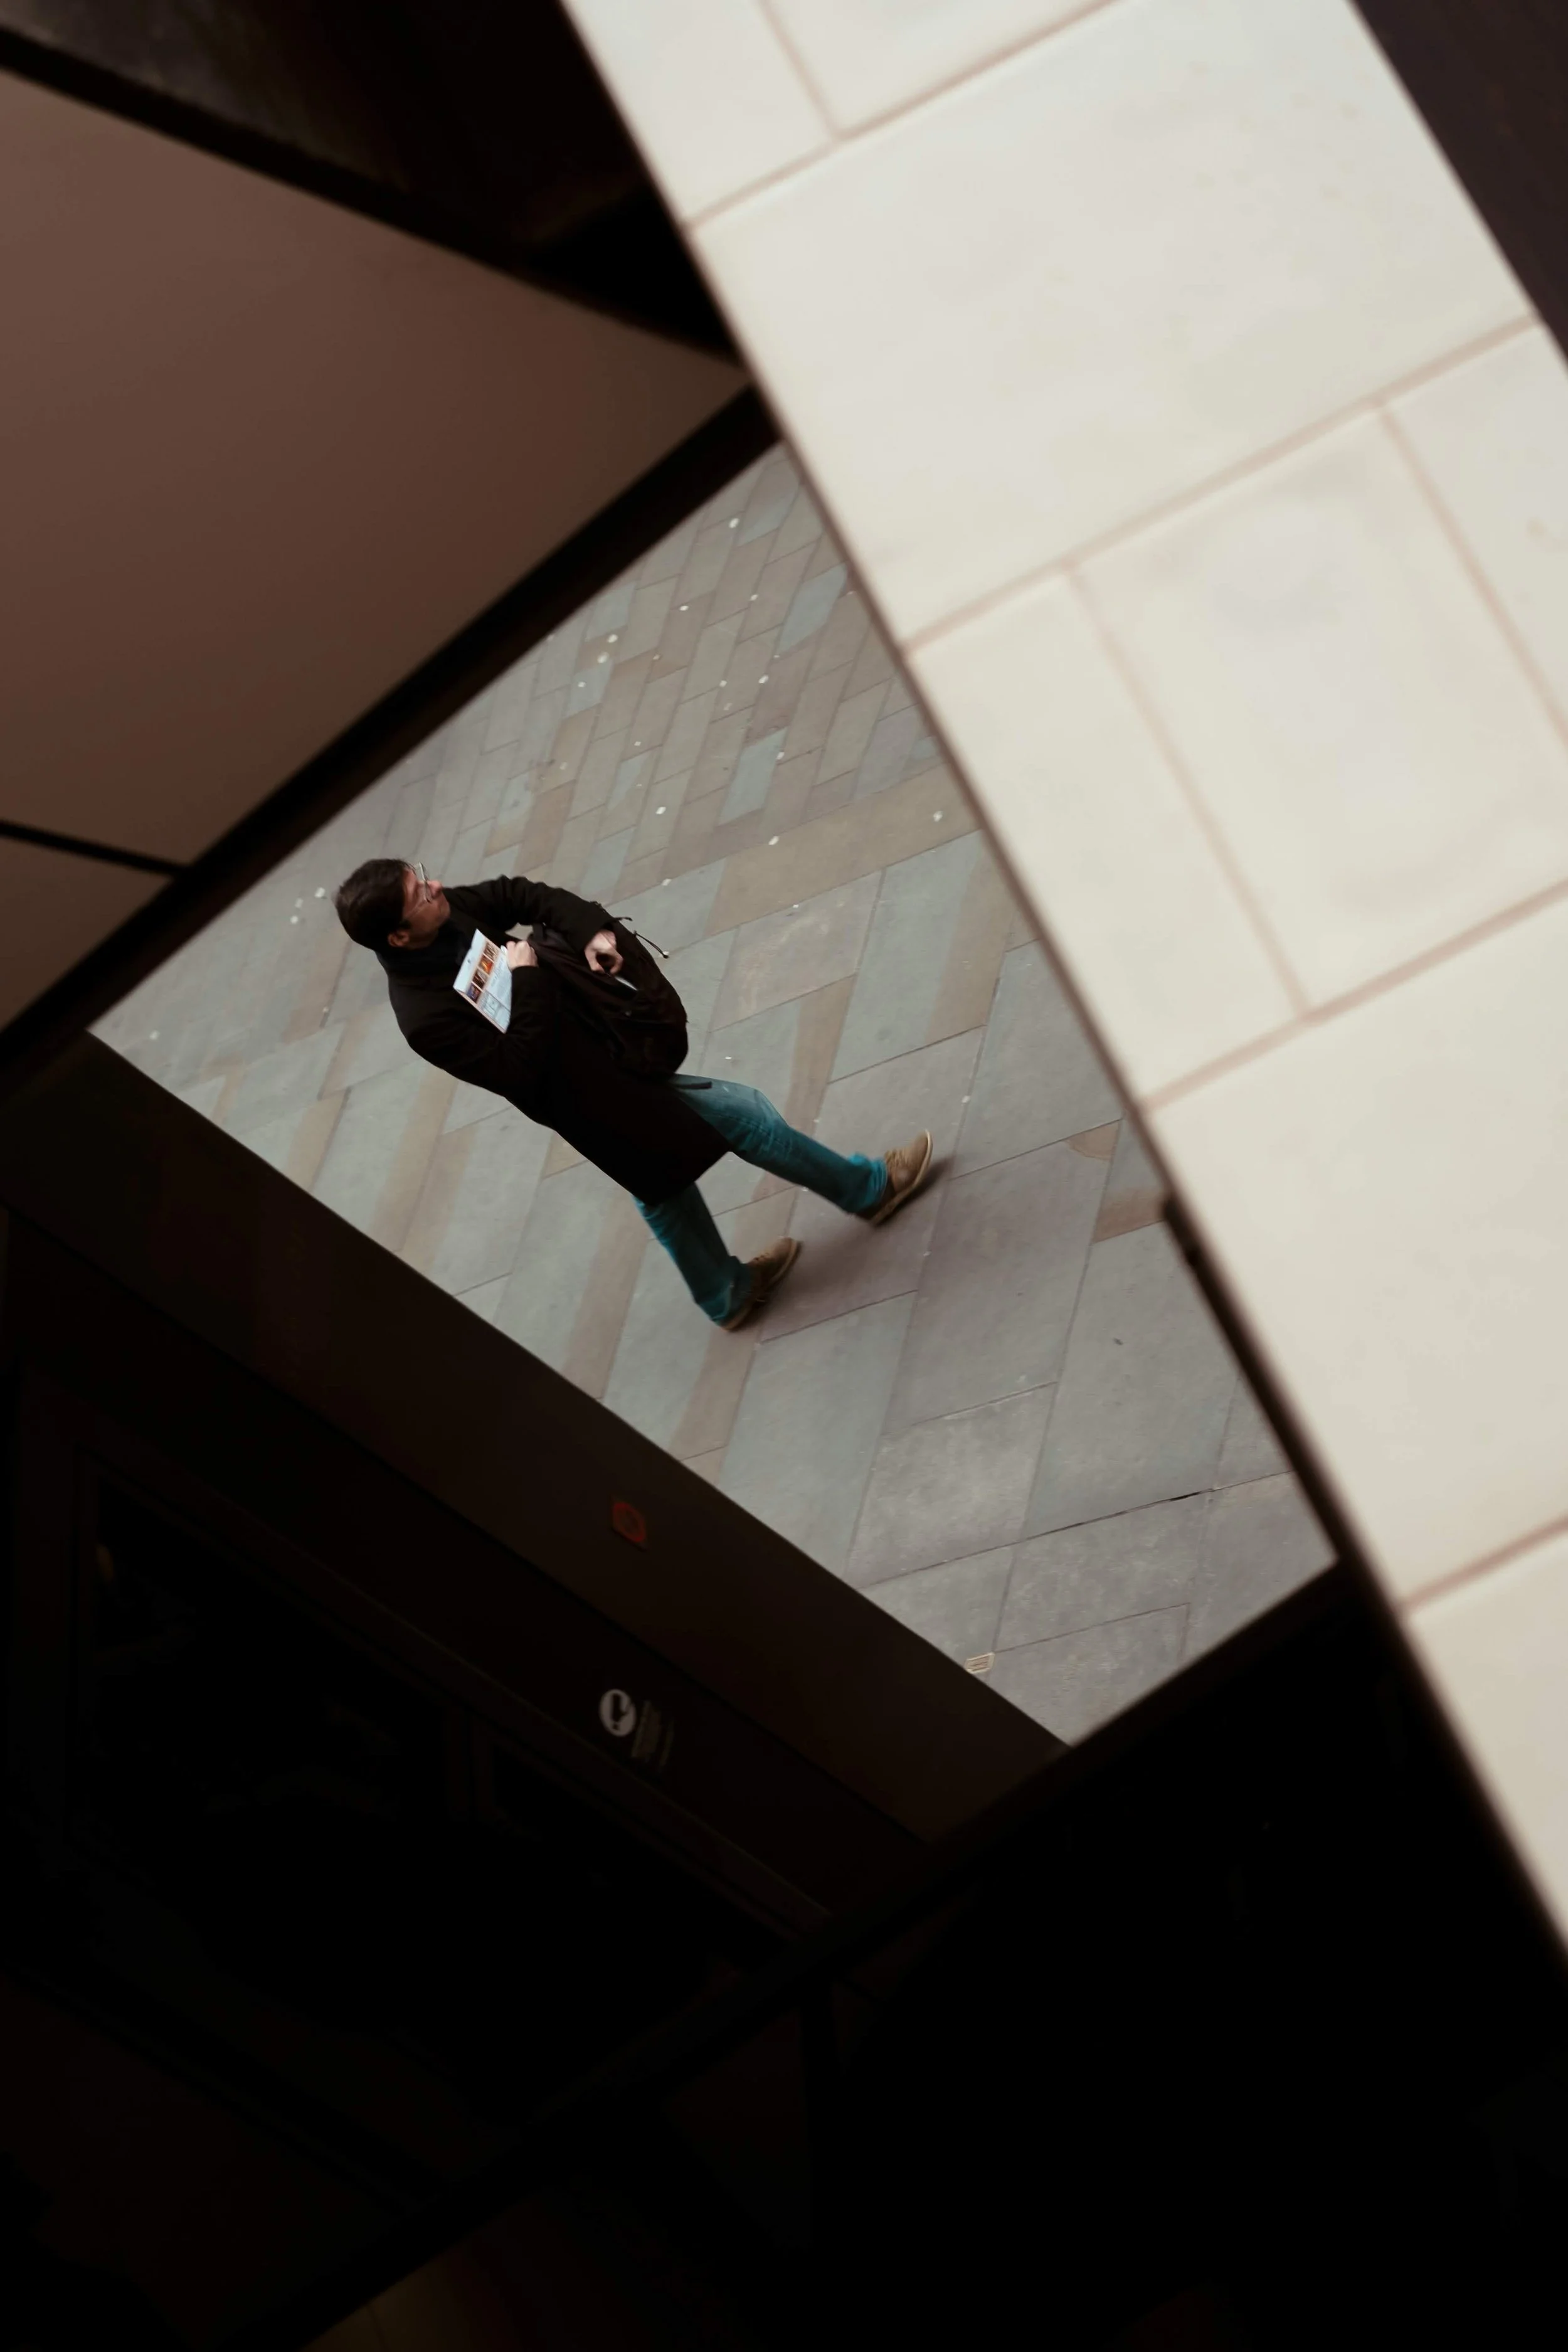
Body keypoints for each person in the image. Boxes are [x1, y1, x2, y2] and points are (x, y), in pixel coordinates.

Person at [332, 857, 935, 1329]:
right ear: (400, 938)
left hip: (610, 1051)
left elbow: (523, 895)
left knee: (663, 1189)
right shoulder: (424, 1018)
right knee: (741, 1119)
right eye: (421, 894)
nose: (437, 886)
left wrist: (589, 929)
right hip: (595, 1101)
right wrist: (528, 979)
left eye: (424, 878)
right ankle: (869, 1189)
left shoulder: (447, 911)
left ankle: (727, 1296)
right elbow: (518, 1071)